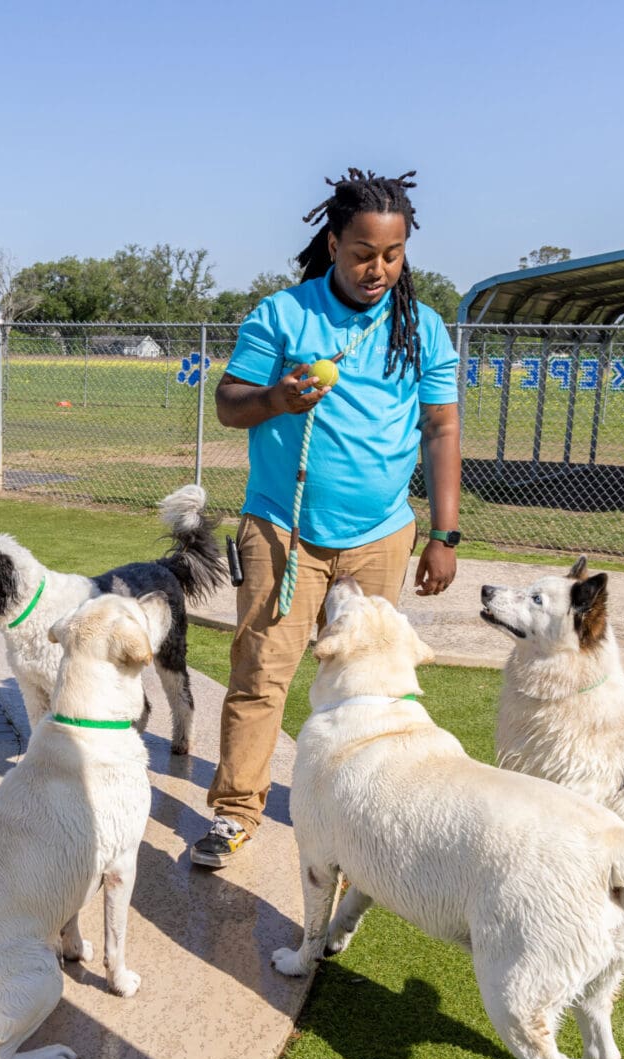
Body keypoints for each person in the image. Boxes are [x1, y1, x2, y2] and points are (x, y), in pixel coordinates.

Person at [191, 168, 463, 869]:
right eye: (362, 253)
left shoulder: (422, 328)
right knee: (261, 672)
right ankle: (234, 809)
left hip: (380, 536)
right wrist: (276, 400)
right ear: (333, 241)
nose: (378, 269)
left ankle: (353, 806)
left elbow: (440, 430)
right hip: (282, 528)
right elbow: (228, 403)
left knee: (367, 682)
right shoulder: (282, 315)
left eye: (393, 254)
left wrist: (442, 532)